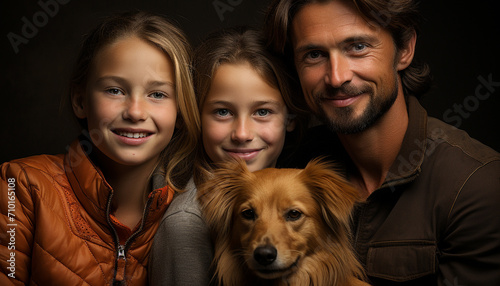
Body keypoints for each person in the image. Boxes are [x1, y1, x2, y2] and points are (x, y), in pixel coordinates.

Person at [264, 0, 500, 285]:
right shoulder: (287, 164)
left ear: (404, 49)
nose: (337, 77)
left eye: (358, 47)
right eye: (314, 55)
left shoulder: (476, 185)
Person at [0, 11, 200, 285]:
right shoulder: (19, 186)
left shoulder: (191, 215)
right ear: (80, 100)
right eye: (115, 90)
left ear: (181, 111)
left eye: (157, 94)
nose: (135, 112)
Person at [148, 27, 308, 285]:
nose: (242, 133)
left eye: (263, 112)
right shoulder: (186, 225)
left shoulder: (299, 180)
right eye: (223, 112)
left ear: (290, 117)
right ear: (195, 116)